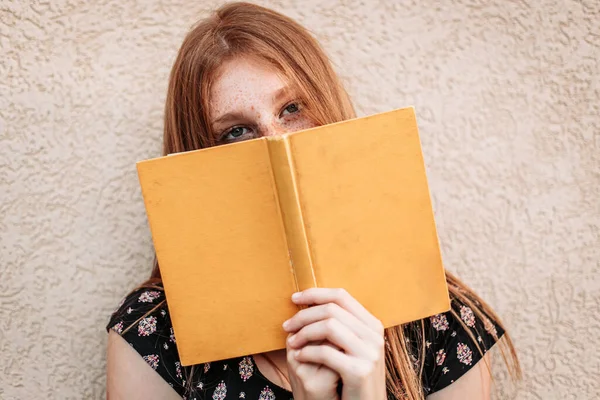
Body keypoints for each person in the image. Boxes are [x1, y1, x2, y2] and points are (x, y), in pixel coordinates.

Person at [105, 2, 521, 399]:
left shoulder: (442, 324)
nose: (277, 142)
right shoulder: (152, 335)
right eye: (236, 131)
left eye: (291, 108)